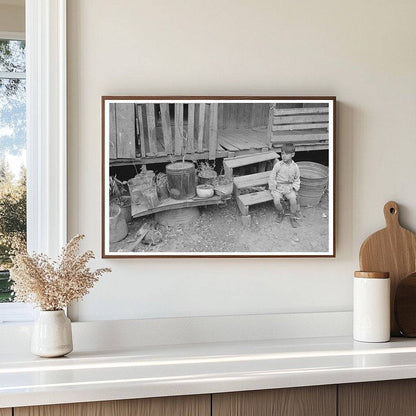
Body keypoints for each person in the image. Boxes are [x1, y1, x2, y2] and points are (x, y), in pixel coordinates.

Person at [268, 143, 301, 228]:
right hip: (278, 187)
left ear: (292, 154)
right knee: (276, 200)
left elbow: (297, 179)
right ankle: (281, 213)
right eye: (282, 153)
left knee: (293, 200)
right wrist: (273, 188)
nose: (284, 156)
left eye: (286, 154)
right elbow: (272, 177)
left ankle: (292, 217)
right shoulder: (278, 165)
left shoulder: (295, 167)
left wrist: (294, 187)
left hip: (289, 188)